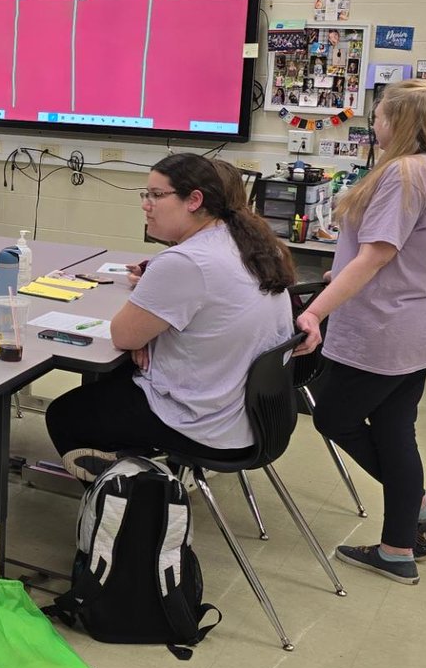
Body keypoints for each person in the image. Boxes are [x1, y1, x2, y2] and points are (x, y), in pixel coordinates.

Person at [296, 80, 426, 584]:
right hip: (425, 327)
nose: (373, 124)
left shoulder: (403, 173)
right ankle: (398, 544)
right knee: (397, 427)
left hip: (387, 330)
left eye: (378, 116)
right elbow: (411, 253)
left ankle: (414, 503)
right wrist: (343, 273)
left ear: (399, 123)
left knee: (333, 416)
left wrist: (315, 312)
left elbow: (376, 257)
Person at [47, 153, 295, 479]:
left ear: (194, 200)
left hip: (206, 425)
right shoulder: (250, 243)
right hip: (260, 417)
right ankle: (135, 472)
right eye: (145, 195)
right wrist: (150, 333)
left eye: (156, 195)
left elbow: (123, 335)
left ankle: (130, 500)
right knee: (114, 381)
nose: (145, 205)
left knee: (65, 415)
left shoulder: (187, 260)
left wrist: (147, 335)